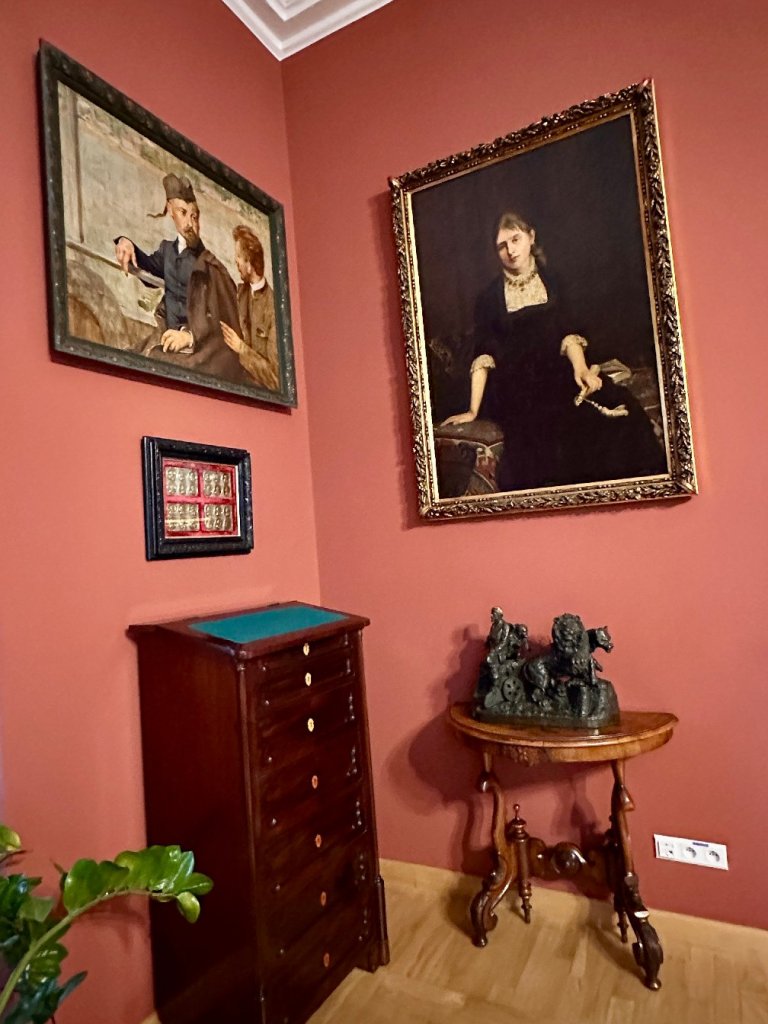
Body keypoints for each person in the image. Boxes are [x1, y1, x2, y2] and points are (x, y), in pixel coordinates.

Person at [443, 210, 666, 491]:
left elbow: (568, 333)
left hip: (557, 369)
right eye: (502, 245)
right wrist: (472, 410)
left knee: (611, 410)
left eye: (515, 239)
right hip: (514, 383)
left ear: (531, 237)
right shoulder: (488, 298)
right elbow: (484, 354)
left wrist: (581, 370)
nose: (510, 251)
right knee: (544, 426)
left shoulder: (555, 281)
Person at [114, 174, 246, 384]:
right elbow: (146, 267)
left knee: (157, 363)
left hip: (202, 349)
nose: (190, 223)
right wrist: (125, 242)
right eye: (183, 213)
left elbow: (225, 322)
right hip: (169, 337)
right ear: (170, 211)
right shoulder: (167, 251)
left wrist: (190, 336)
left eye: (194, 216)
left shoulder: (210, 266)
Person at [219, 225, 280, 391]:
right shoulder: (238, 293)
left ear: (249, 264)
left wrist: (242, 349)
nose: (235, 261)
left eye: (238, 256)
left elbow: (275, 380)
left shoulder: (273, 309)